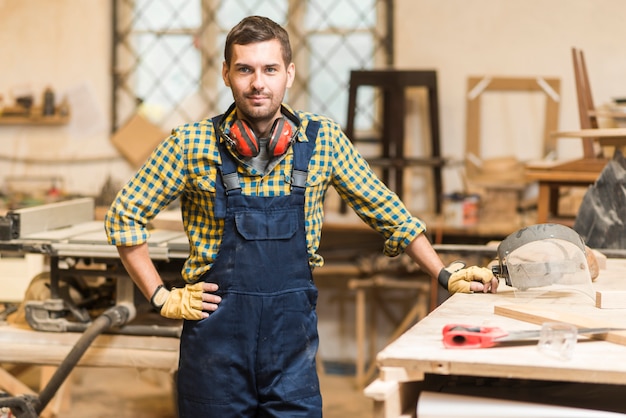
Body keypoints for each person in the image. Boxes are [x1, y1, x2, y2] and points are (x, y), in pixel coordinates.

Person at [105, 15, 498, 417]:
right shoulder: (190, 144)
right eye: (245, 69)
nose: (258, 82)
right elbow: (124, 216)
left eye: (270, 69)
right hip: (214, 353)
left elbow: (391, 214)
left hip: (289, 351)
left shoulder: (322, 140)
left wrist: (444, 274)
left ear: (289, 73)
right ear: (226, 73)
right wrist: (161, 296)